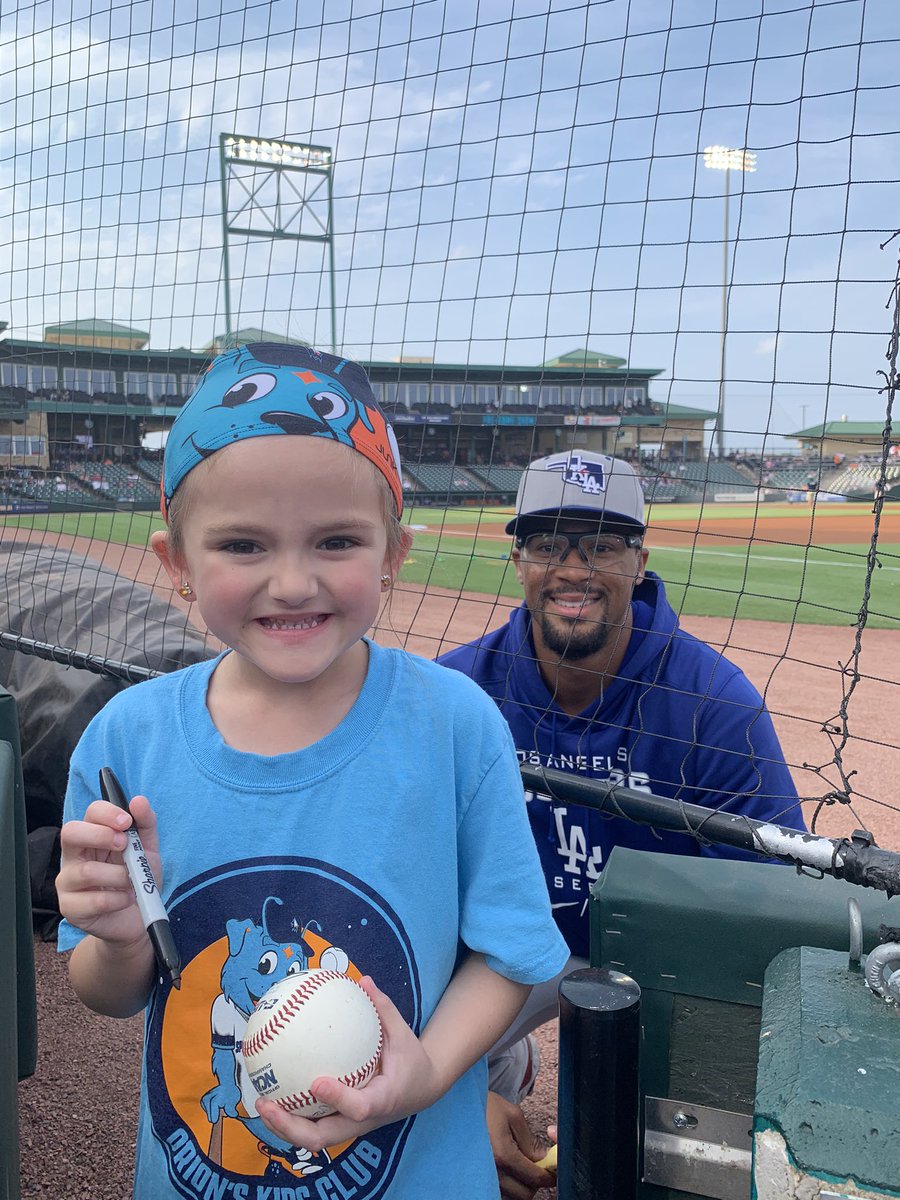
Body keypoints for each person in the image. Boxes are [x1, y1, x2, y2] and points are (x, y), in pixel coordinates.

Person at [56, 343, 569, 1200]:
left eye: (336, 540)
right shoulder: (126, 738)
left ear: (393, 552)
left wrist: (429, 1072)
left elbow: (512, 954)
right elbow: (110, 994)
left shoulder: (454, 727)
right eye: (243, 545)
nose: (292, 583)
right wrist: (113, 936)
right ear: (176, 563)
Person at [439, 449, 806, 1199]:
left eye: (602, 545)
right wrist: (450, 1103)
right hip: (507, 943)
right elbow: (386, 888)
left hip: (654, 962)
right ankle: (494, 1074)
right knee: (419, 1107)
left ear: (640, 559)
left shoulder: (713, 702)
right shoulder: (457, 691)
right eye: (549, 544)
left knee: (648, 1164)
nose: (574, 568)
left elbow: (770, 911)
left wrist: (650, 1106)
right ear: (519, 559)